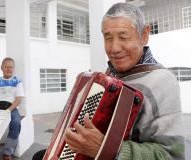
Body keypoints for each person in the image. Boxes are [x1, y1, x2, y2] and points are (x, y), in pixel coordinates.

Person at [64, 2, 185, 160]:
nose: (114, 48)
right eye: (108, 38)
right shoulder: (107, 77)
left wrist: (106, 149)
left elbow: (172, 155)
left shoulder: (162, 81)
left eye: (123, 37)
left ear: (145, 35)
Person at [0, 57, 24, 160]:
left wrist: (8, 111)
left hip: (11, 108)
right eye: (6, 67)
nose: (9, 69)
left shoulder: (17, 81)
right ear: (2, 68)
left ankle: (7, 152)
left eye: (11, 67)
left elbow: (18, 99)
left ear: (14, 68)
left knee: (16, 123)